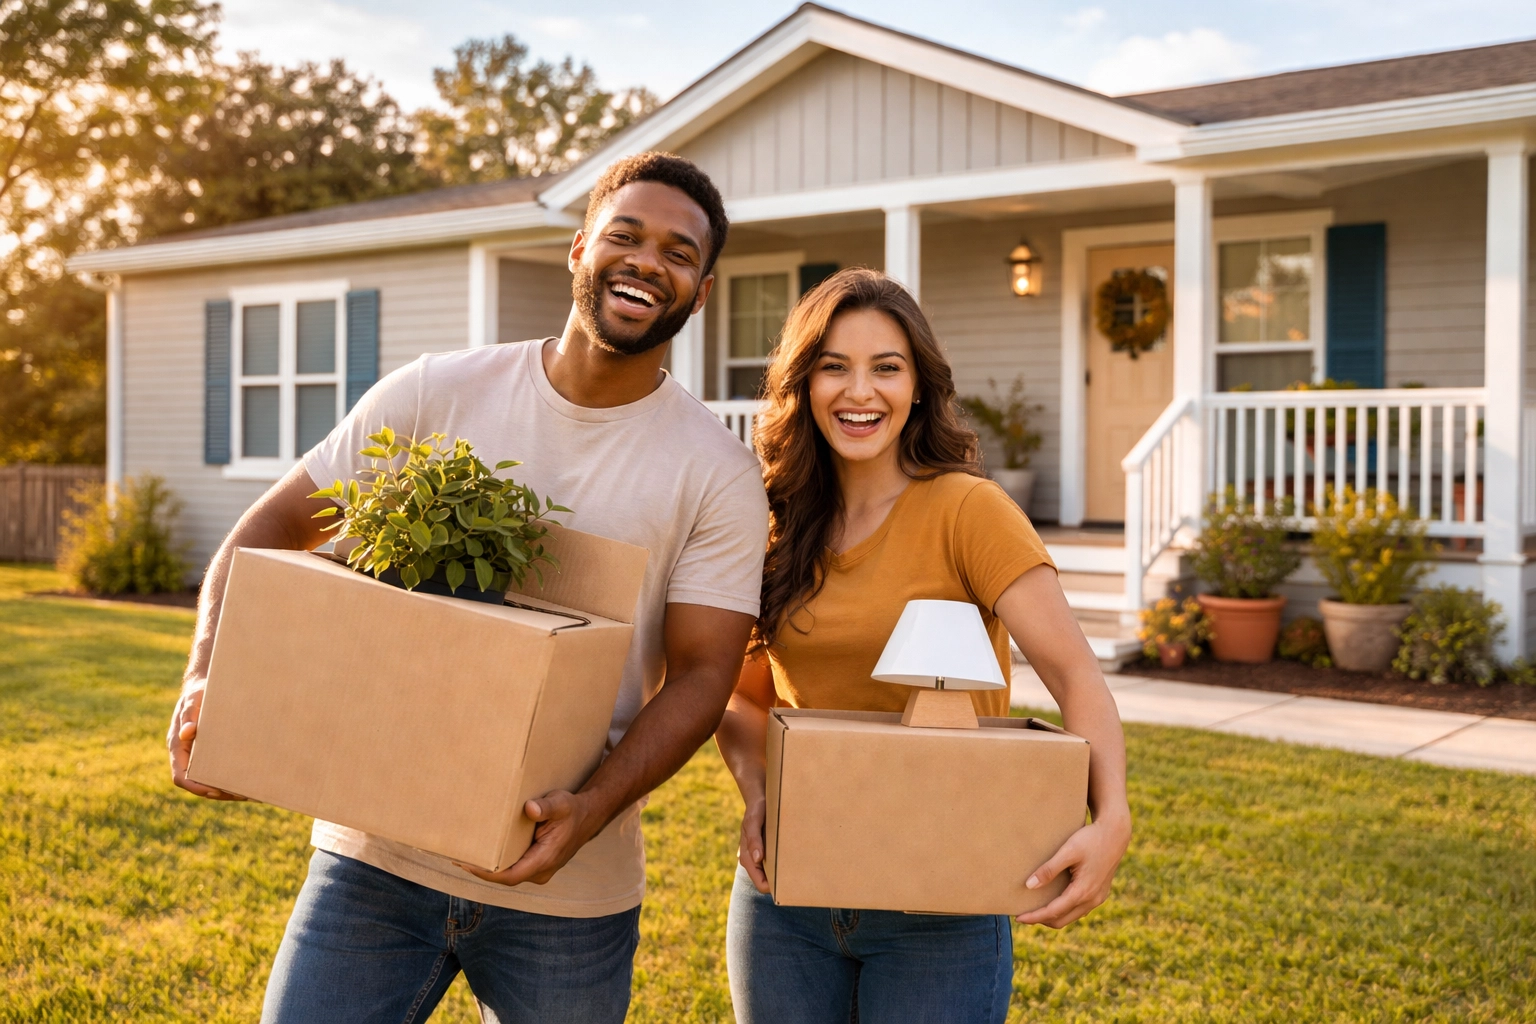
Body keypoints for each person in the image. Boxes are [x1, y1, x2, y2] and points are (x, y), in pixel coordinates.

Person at [166, 152, 770, 1024]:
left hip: (569, 889)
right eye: (626, 235)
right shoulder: (436, 393)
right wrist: (204, 677)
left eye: (680, 253)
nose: (648, 261)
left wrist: (591, 809)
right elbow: (268, 530)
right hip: (374, 858)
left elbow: (707, 674)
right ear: (577, 250)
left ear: (702, 291)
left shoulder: (716, 471)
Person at [715, 268, 1132, 1024]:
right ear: (803, 384)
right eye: (833, 367)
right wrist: (758, 791)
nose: (859, 392)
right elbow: (744, 696)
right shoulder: (773, 522)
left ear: (918, 387)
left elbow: (1076, 678)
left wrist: (1113, 818)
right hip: (788, 896)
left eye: (886, 368)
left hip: (941, 897)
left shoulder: (969, 511)